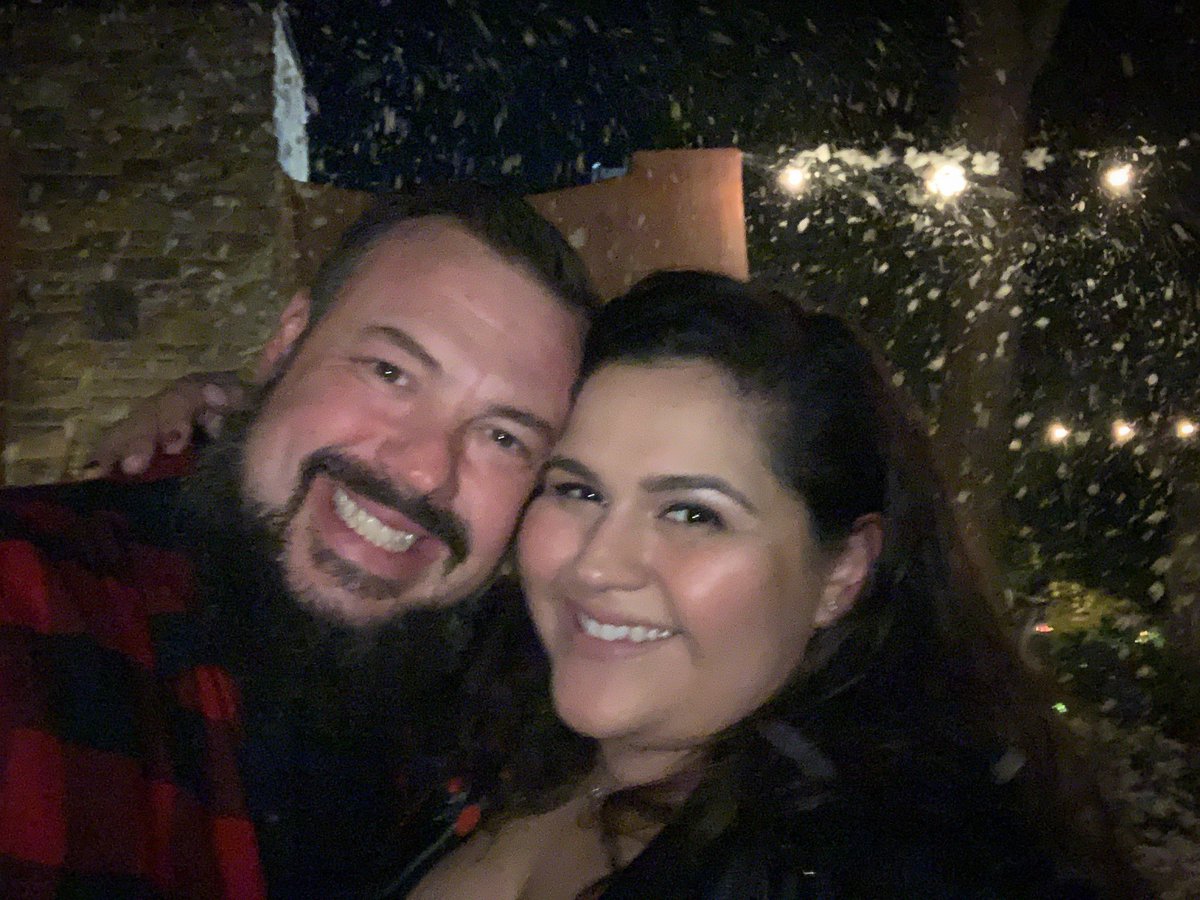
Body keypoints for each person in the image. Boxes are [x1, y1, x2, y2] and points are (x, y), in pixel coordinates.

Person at [399, 271, 1143, 897]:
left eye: (693, 514)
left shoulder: (892, 867)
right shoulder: (475, 728)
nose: (595, 564)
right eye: (578, 491)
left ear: (842, 572)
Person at [0, 182, 596, 898]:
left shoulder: (524, 713)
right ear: (285, 345)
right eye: (390, 372)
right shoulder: (34, 598)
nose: (424, 470)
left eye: (503, 438)